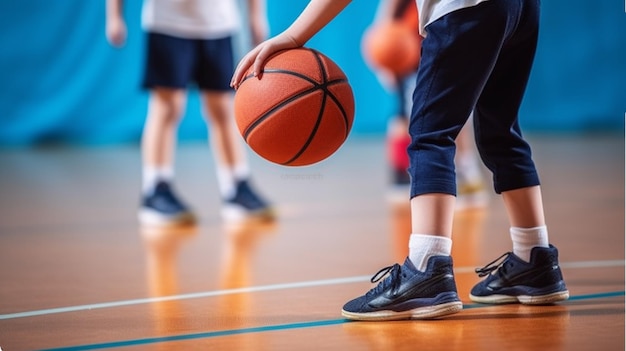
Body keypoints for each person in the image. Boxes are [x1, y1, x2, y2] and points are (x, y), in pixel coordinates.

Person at [231, 0, 569, 321]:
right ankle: (534, 258)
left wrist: (293, 36)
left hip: (462, 8)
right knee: (501, 131)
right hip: (522, 9)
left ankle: (427, 267)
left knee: (430, 135)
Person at [105, 0, 274, 226]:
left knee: (223, 108)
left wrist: (256, 15)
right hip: (169, 23)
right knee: (167, 107)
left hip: (219, 23)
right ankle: (155, 189)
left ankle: (236, 186)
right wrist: (114, 15)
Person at [370, 0, 487, 209]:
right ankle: (402, 176)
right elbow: (382, 28)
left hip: (437, 51)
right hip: (409, 59)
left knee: (448, 118)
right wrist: (385, 63)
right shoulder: (395, 18)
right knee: (405, 118)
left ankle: (466, 175)